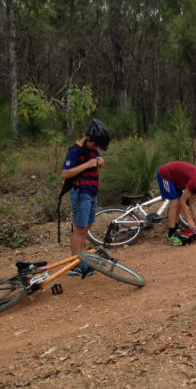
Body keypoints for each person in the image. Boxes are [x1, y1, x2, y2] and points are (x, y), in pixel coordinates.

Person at [62, 119, 110, 277]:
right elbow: (65, 173)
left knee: (87, 227)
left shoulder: (92, 149)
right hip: (81, 193)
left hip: (92, 192)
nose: (96, 149)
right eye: (95, 145)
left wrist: (100, 162)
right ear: (88, 138)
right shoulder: (75, 151)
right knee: (80, 228)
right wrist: (87, 165)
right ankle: (74, 263)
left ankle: (81, 259)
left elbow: (96, 162)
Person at [156, 161, 196, 245]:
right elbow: (183, 201)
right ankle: (170, 236)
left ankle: (175, 228)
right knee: (175, 203)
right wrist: (189, 220)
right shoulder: (194, 181)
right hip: (165, 175)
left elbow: (192, 203)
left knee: (178, 204)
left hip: (175, 179)